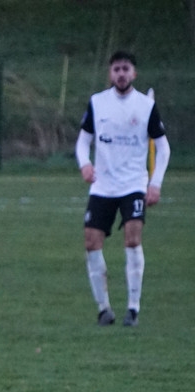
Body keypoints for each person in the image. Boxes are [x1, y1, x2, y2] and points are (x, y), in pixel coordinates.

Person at [76, 50, 170, 327]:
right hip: (103, 185)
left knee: (132, 239)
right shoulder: (97, 103)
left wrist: (155, 183)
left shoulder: (145, 106)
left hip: (133, 184)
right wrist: (85, 164)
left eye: (125, 69)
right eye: (116, 69)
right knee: (91, 242)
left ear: (134, 74)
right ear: (110, 73)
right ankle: (104, 309)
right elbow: (83, 141)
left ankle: (133, 309)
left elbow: (163, 148)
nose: (121, 74)